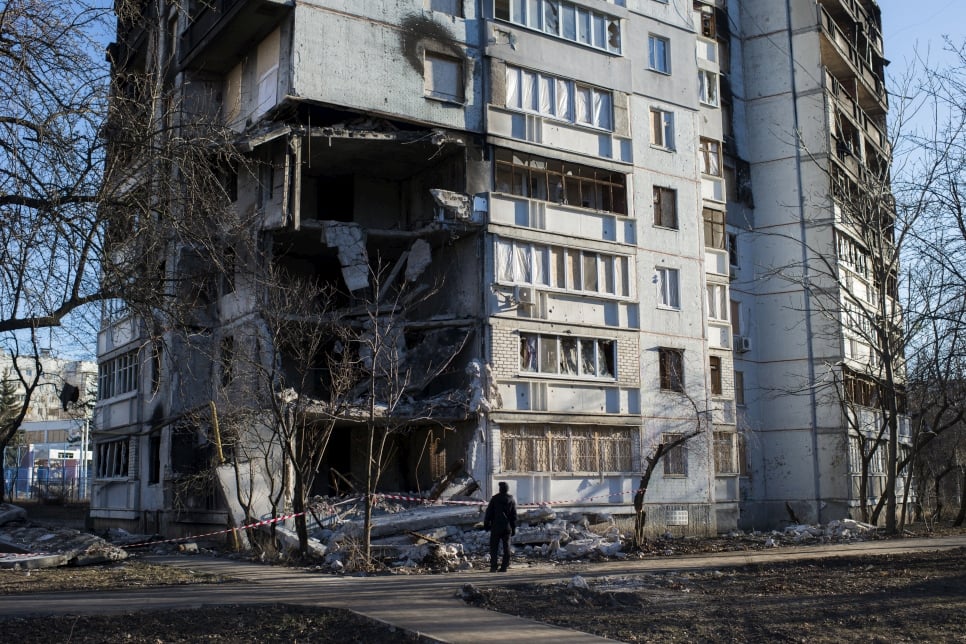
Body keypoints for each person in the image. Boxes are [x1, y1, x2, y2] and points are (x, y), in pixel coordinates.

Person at [483, 481, 517, 572]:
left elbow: (489, 512)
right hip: (507, 527)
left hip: (496, 526)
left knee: (494, 547)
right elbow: (514, 516)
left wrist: (486, 523)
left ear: (500, 489)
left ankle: (493, 566)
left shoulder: (495, 499)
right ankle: (504, 566)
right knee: (507, 547)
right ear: (507, 489)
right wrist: (513, 528)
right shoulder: (511, 500)